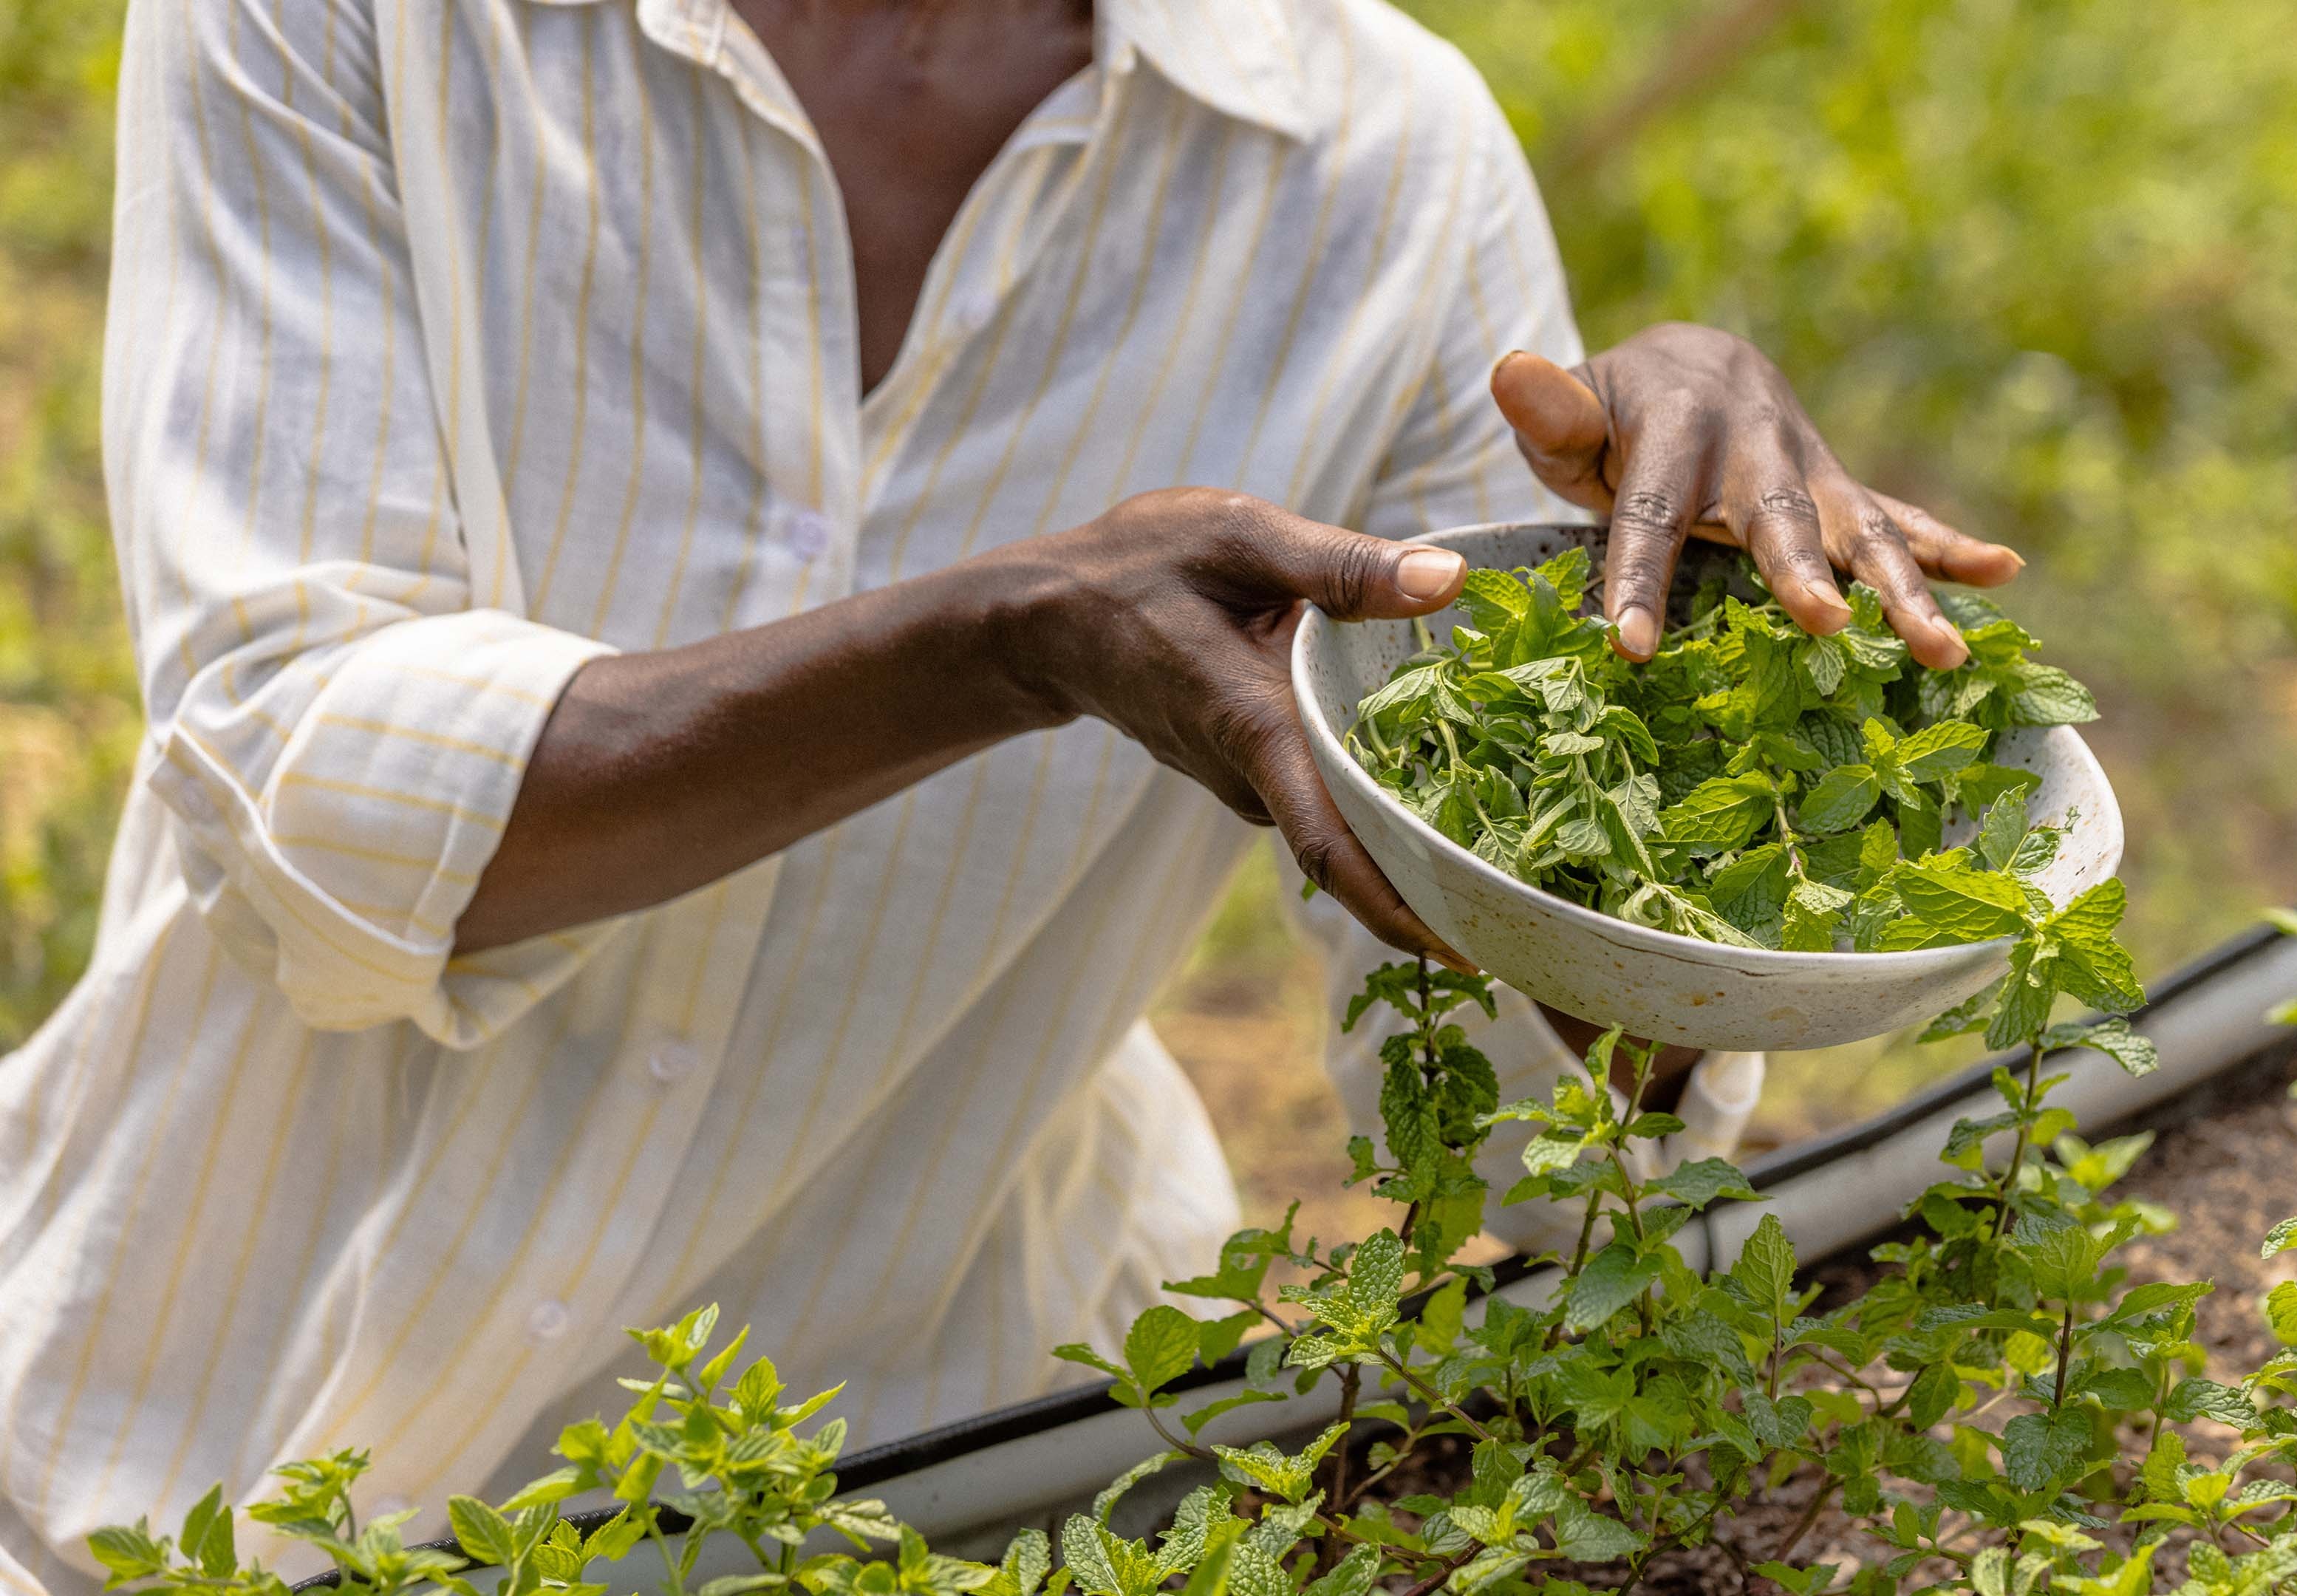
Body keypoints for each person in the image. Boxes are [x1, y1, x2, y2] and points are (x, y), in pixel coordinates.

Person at [0, 0, 2021, 1586]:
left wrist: (1678, 701)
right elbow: (306, 804)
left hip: (926, 1503)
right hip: (149, 1435)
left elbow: (1542, 1136)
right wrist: (997, 643)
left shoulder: (1377, 175)